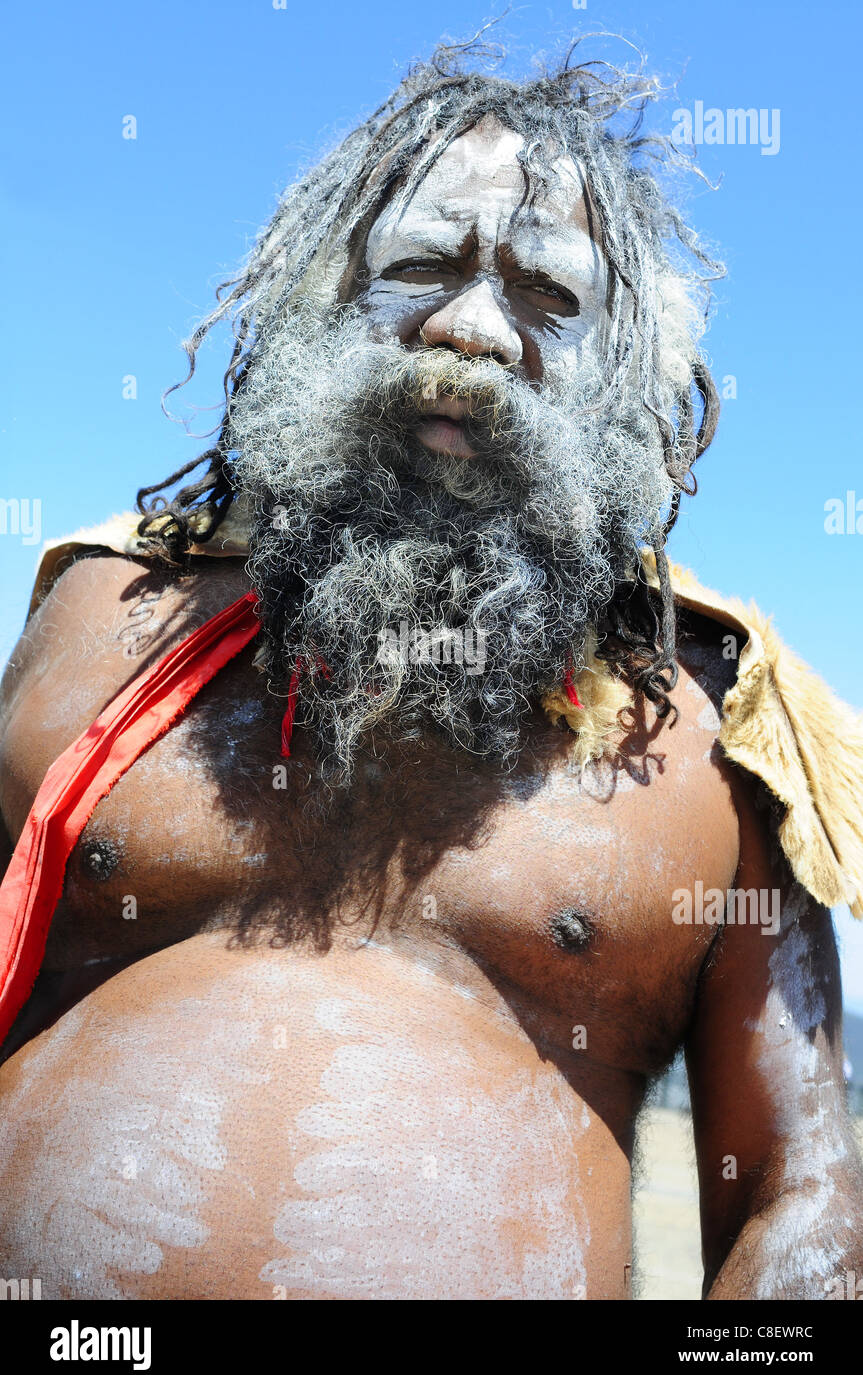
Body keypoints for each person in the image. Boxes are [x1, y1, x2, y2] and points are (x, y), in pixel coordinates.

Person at [1, 42, 861, 1300]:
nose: (465, 331)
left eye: (547, 299)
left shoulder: (712, 729)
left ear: (622, 376)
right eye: (417, 267)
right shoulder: (107, 608)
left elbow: (798, 1204)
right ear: (315, 298)